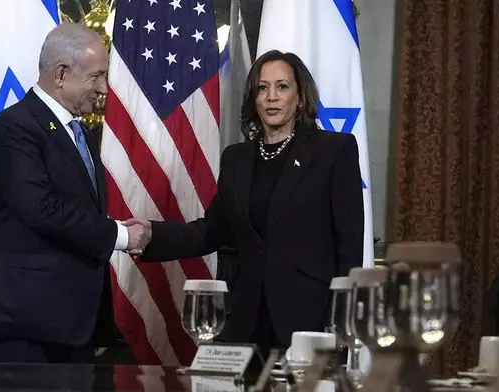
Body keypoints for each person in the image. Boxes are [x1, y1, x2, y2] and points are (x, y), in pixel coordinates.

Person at [128, 50, 364, 355]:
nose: (272, 97)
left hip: (311, 318)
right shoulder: (237, 158)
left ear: (300, 97)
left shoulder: (334, 151)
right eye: (262, 88)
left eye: (282, 87)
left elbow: (349, 243)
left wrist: (344, 317)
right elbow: (211, 230)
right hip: (247, 320)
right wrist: (151, 234)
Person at [0, 23, 150, 364]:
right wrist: (122, 235)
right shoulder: (16, 127)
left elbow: (78, 210)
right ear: (62, 73)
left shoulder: (77, 131)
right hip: (25, 331)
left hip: (69, 326)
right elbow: (41, 210)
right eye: (96, 76)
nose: (103, 88)